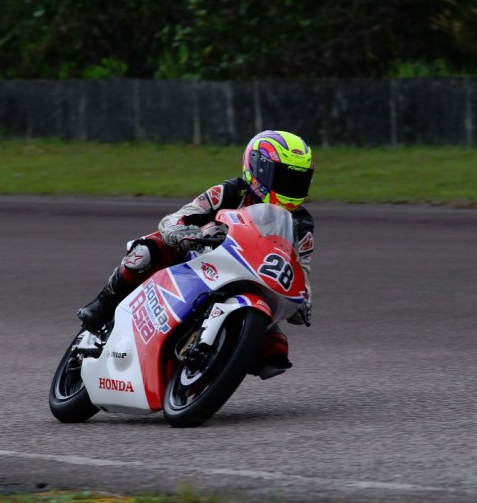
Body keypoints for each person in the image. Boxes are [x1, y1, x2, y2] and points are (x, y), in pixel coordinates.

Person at [77, 130, 315, 380]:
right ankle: (103, 305)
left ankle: (220, 359)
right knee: (147, 251)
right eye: (284, 177)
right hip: (199, 259)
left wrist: (303, 300)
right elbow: (179, 216)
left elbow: (302, 268)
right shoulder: (230, 192)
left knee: (275, 347)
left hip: (248, 279)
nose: (291, 186)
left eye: (298, 180)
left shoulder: (301, 223)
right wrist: (178, 231)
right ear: (258, 168)